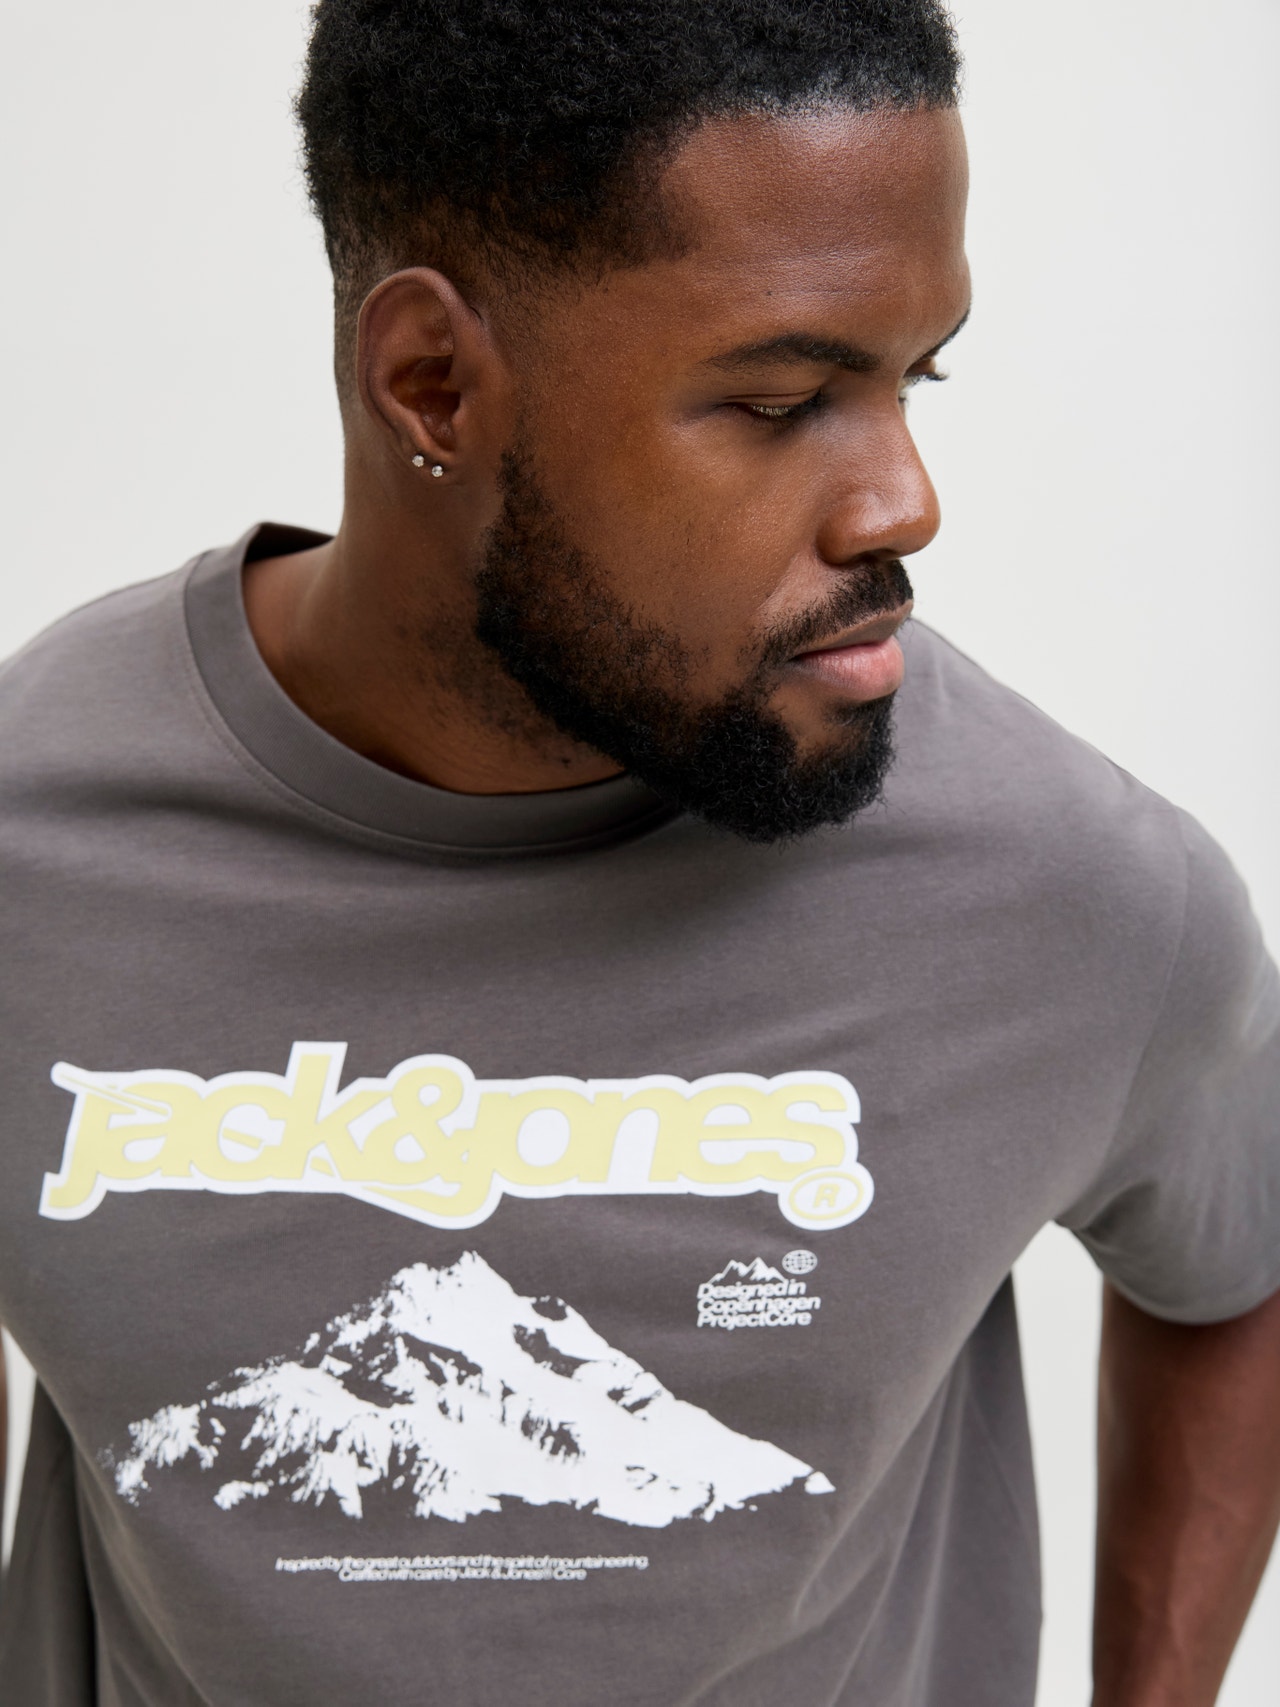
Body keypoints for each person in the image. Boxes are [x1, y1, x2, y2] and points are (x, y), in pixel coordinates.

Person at [1, 0, 1278, 1700]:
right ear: (432, 382)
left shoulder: (1072, 888)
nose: (904, 503)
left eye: (915, 377)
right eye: (779, 400)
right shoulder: (34, 851)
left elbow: (1238, 1273)